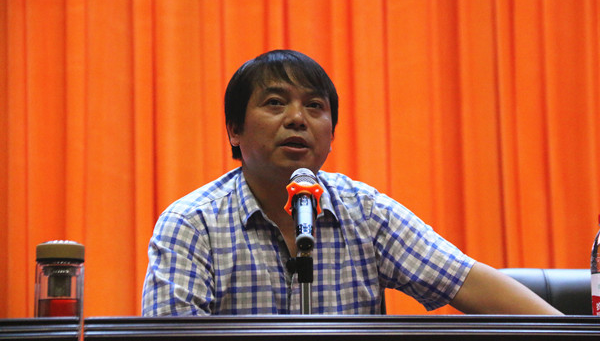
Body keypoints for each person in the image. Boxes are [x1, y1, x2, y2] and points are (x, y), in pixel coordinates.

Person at [142, 49, 561, 316]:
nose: (297, 118)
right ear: (235, 129)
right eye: (275, 103)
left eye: (314, 106)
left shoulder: (364, 211)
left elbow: (464, 280)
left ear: (331, 135)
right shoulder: (192, 224)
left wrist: (571, 334)